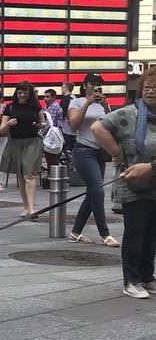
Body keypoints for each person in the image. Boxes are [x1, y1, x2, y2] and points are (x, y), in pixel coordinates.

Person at [91, 67, 156, 298]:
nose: (151, 92)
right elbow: (98, 127)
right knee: (136, 232)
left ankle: (147, 276)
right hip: (132, 183)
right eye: (147, 88)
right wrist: (115, 150)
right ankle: (131, 280)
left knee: (152, 233)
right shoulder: (128, 113)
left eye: (155, 89)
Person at [66, 71, 118, 247]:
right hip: (83, 151)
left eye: (98, 83)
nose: (95, 86)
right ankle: (105, 234)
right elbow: (73, 125)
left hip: (100, 153)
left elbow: (113, 126)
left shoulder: (103, 103)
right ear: (84, 85)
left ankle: (76, 232)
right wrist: (87, 103)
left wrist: (106, 108)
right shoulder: (77, 101)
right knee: (98, 191)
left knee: (93, 192)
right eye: (92, 83)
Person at [1, 82, 45, 218]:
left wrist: (39, 125)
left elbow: (43, 123)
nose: (22, 95)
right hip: (15, 142)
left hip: (32, 141)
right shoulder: (10, 107)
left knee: (29, 174)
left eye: (25, 92)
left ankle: (32, 208)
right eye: (19, 92)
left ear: (29, 93)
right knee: (21, 175)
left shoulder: (36, 106)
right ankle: (26, 206)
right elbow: (2, 129)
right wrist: (8, 123)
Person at [40, 88, 67, 181]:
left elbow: (49, 123)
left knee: (51, 157)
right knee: (51, 157)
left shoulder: (53, 107)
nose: (45, 99)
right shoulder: (49, 107)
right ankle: (53, 176)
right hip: (55, 135)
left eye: (48, 97)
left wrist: (41, 133)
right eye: (44, 96)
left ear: (54, 97)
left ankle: (52, 177)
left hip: (52, 136)